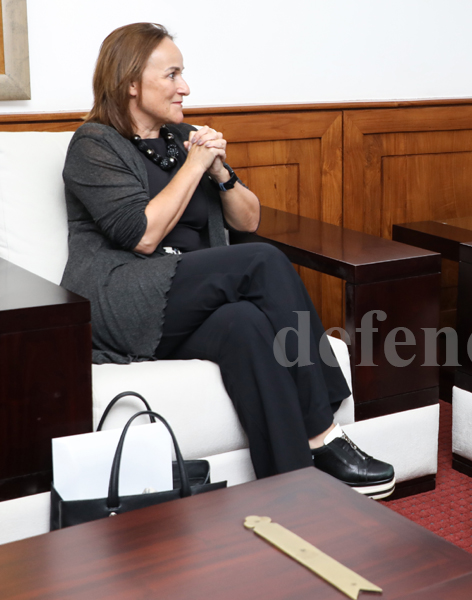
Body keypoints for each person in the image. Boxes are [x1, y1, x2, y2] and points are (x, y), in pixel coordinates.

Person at [62, 23, 395, 499]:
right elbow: (140, 235)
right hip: (124, 298)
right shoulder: (93, 144)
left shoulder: (182, 140)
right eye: (172, 74)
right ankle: (324, 431)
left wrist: (219, 172)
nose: (185, 87)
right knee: (261, 262)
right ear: (130, 82)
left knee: (244, 324)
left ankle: (294, 489)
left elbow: (250, 219)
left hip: (189, 297)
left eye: (184, 73)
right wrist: (195, 166)